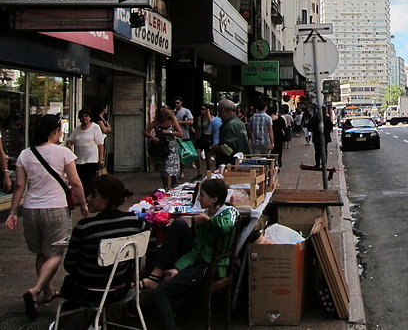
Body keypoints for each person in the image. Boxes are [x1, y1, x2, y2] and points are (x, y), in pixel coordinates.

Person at [4, 114, 88, 320]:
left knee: (41, 252)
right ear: (55, 131)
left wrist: (13, 212)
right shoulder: (63, 153)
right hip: (55, 208)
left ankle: (48, 292)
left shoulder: (25, 154)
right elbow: (75, 182)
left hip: (31, 209)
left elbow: (20, 186)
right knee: (56, 252)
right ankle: (36, 290)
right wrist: (84, 203)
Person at [146, 179, 239, 330]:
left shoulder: (230, 212)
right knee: (179, 224)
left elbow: (224, 227)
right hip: (200, 261)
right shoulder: (206, 213)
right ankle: (156, 275)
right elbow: (196, 250)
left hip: (210, 267)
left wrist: (207, 221)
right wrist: (178, 267)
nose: (199, 199)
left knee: (160, 294)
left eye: (202, 195)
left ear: (214, 199)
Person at [61, 175, 147, 307]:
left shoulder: (84, 227)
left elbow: (69, 264)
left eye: (93, 195)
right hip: (120, 290)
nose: (88, 198)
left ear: (106, 200)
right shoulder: (135, 222)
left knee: (68, 284)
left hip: (88, 292)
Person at [66, 108, 106, 198]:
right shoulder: (77, 130)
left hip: (91, 160)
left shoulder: (95, 128)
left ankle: (89, 197)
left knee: (90, 180)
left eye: (86, 116)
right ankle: (83, 197)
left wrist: (101, 158)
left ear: (90, 117)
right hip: (79, 160)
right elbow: (71, 140)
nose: (84, 118)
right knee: (81, 180)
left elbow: (100, 144)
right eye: (82, 116)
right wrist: (68, 144)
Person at [143, 107, 182, 189]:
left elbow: (180, 134)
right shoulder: (156, 122)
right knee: (163, 169)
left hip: (171, 147)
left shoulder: (172, 121)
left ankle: (168, 188)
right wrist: (153, 137)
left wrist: (169, 132)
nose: (163, 119)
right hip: (160, 147)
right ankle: (165, 187)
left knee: (169, 169)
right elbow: (146, 132)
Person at [209, 99, 251, 168]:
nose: (219, 116)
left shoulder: (229, 125)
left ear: (223, 111)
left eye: (219, 113)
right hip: (242, 163)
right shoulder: (240, 123)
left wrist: (215, 147)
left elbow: (227, 150)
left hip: (230, 165)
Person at [173, 96, 194, 180]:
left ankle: (182, 171)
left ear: (181, 102)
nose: (176, 104)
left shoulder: (186, 111)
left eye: (178, 103)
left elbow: (191, 121)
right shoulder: (173, 112)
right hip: (174, 136)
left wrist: (179, 122)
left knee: (183, 154)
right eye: (175, 103)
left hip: (184, 135)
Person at [193, 103, 215, 176]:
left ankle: (209, 172)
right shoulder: (199, 118)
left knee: (208, 157)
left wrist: (208, 114)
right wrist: (195, 138)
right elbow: (197, 128)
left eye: (203, 109)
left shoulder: (211, 117)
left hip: (207, 138)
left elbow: (212, 124)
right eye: (201, 109)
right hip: (199, 138)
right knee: (197, 155)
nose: (202, 111)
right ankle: (199, 172)